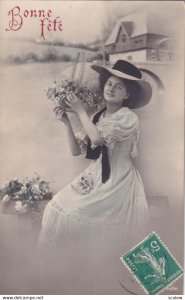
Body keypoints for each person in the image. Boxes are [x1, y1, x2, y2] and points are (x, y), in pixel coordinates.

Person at [37, 60, 152, 256]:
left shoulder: (128, 117)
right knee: (55, 206)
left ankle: (92, 268)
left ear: (127, 94)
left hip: (117, 180)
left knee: (86, 219)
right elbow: (77, 152)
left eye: (119, 86)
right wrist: (67, 124)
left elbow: (98, 140)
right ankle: (57, 267)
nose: (112, 89)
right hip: (95, 174)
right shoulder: (99, 117)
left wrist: (80, 110)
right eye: (109, 84)